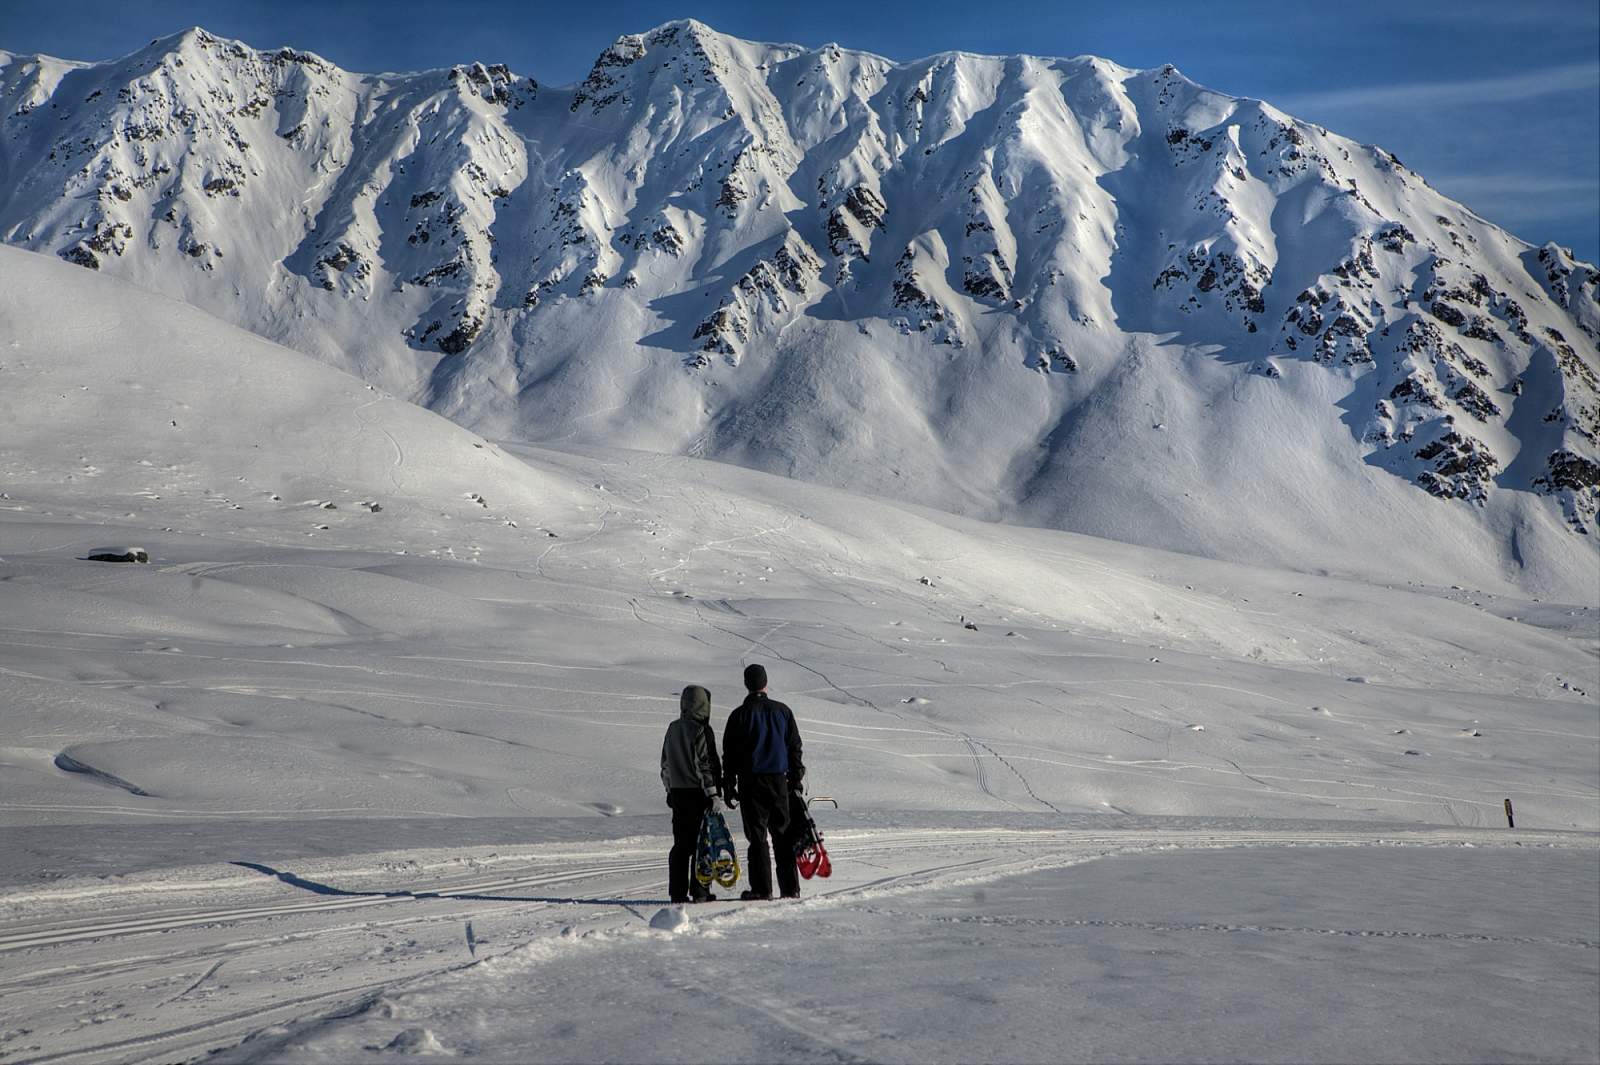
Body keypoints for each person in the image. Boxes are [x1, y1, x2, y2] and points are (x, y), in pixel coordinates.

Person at [722, 663, 805, 900]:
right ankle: (790, 888)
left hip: (750, 782)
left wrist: (728, 784)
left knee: (757, 837)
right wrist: (796, 778)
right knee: (783, 834)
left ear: (746, 684)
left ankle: (762, 889)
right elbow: (794, 747)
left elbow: (729, 754)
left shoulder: (739, 715)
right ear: (765, 683)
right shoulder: (783, 711)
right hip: (779, 781)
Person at [661, 684, 726, 903]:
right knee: (702, 843)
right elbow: (704, 764)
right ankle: (700, 890)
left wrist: (669, 789)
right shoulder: (700, 730)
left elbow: (665, 764)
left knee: (681, 845)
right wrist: (713, 794)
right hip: (698, 794)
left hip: (678, 793)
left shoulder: (672, 728)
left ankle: (677, 892)